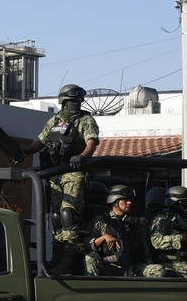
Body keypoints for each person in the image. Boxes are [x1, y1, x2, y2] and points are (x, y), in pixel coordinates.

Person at [22, 84, 99, 271]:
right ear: (64, 102)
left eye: (79, 101)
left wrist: (82, 157)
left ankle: (66, 262)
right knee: (56, 219)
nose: (77, 104)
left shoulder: (85, 119)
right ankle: (56, 260)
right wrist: (24, 152)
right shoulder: (55, 121)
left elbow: (92, 142)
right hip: (55, 173)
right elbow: (41, 141)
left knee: (68, 215)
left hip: (73, 172)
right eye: (74, 101)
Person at [84, 185, 155, 277]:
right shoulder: (101, 221)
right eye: (125, 200)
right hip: (109, 265)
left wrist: (149, 265)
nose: (129, 203)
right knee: (90, 258)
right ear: (114, 201)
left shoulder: (137, 222)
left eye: (130, 200)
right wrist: (104, 237)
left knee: (158, 271)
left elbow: (145, 250)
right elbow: (87, 246)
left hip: (131, 267)